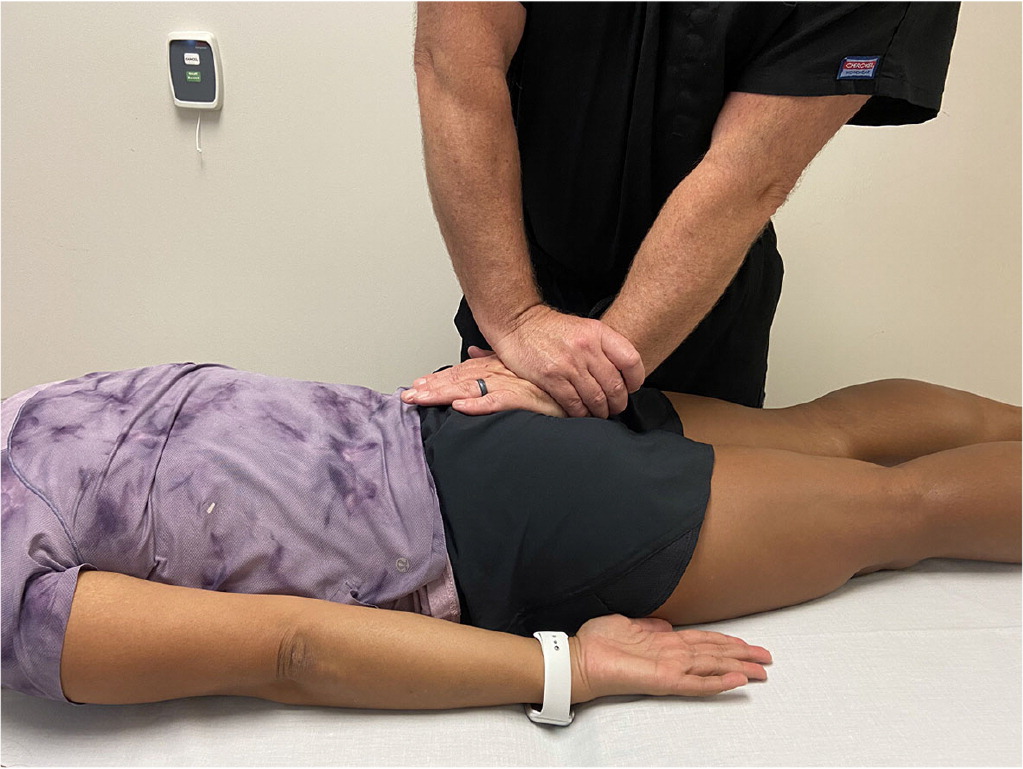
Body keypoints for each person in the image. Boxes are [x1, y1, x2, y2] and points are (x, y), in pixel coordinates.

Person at [2, 356, 1018, 716]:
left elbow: (292, 648)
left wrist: (566, 669)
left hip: (500, 519)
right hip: (468, 413)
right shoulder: (23, 413)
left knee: (902, 513)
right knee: (826, 433)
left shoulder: (13, 588)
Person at [412, 3, 961, 417]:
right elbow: (455, 69)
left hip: (698, 317)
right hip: (518, 289)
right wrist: (517, 318)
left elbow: (747, 175)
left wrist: (586, 378)